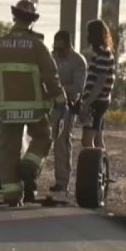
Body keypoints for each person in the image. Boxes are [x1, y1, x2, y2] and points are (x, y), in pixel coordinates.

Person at [0, 0, 67, 207]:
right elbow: (51, 76)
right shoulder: (37, 46)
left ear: (14, 17)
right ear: (32, 21)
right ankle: (29, 166)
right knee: (43, 137)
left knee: (9, 150)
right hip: (34, 108)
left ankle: (12, 195)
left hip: (6, 110)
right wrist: (60, 99)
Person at [48, 30, 87, 192]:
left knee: (61, 144)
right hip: (49, 106)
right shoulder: (51, 58)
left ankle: (62, 182)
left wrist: (59, 89)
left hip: (67, 108)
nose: (58, 52)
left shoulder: (78, 61)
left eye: (61, 48)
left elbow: (78, 87)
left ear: (69, 46)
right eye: (55, 48)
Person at [79, 18, 116, 151]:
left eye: (89, 32)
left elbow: (100, 81)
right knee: (98, 139)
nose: (86, 36)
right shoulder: (102, 53)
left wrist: (88, 102)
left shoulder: (102, 53)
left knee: (87, 141)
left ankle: (93, 169)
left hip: (97, 102)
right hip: (99, 101)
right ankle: (102, 167)